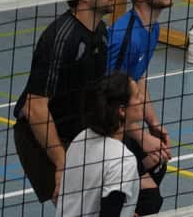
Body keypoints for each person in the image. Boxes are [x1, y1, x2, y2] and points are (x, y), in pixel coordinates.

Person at [14, 0, 115, 204]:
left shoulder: (101, 32)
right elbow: (35, 109)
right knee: (77, 208)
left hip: (77, 132)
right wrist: (62, 163)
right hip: (42, 136)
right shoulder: (61, 38)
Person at [108, 0, 172, 214]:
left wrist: (152, 123)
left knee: (158, 163)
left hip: (122, 121)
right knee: (149, 198)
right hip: (102, 125)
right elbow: (108, 98)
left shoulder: (151, 28)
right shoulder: (124, 37)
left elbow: (138, 78)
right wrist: (140, 136)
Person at [56, 73, 142, 217]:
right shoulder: (122, 160)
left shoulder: (81, 137)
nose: (142, 99)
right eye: (137, 96)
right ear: (122, 110)